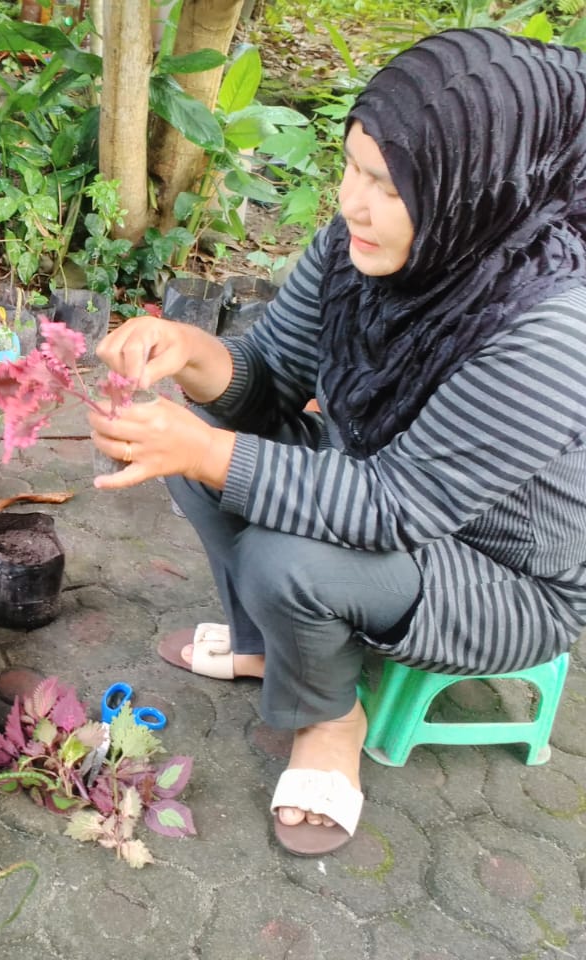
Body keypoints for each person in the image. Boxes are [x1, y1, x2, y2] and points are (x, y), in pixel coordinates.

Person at [89, 28, 586, 856]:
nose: (353, 203)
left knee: (283, 553)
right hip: (377, 478)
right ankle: (267, 647)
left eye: (388, 185)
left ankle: (329, 716)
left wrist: (210, 454)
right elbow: (274, 375)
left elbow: (400, 508)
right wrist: (193, 354)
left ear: (478, 190)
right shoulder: (366, 247)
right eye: (353, 166)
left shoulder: (548, 330)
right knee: (188, 435)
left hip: (505, 573)